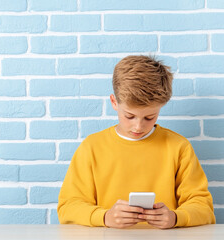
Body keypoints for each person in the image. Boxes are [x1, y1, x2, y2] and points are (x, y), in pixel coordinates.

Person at [57, 55, 216, 229]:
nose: (138, 126)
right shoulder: (92, 147)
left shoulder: (179, 147)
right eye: (129, 116)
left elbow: (203, 206)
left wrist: (176, 217)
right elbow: (68, 207)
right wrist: (104, 217)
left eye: (149, 117)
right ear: (114, 102)